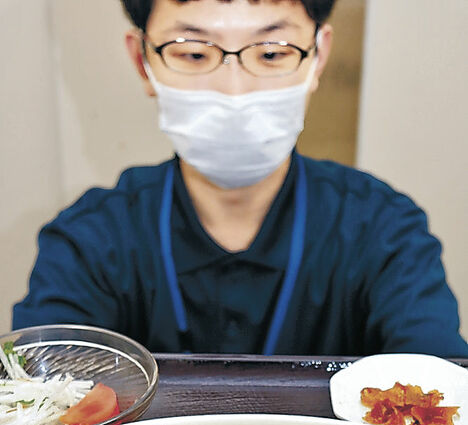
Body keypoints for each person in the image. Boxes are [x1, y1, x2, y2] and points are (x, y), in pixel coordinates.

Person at [13, 0, 468, 357]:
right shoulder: (89, 239)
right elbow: (34, 403)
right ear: (142, 61)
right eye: (193, 53)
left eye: (271, 53)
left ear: (318, 57)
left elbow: (439, 392)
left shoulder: (384, 230)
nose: (234, 92)